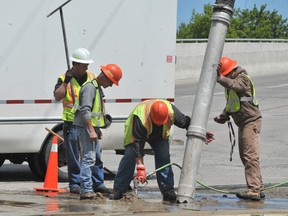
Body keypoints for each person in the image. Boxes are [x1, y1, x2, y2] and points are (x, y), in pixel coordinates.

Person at [112, 99, 215, 201]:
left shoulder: (171, 112)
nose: (159, 124)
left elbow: (186, 122)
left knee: (164, 158)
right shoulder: (140, 117)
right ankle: (119, 189)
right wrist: (140, 168)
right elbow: (138, 144)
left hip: (159, 135)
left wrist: (202, 132)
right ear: (151, 116)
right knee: (130, 156)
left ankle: (167, 190)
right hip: (137, 133)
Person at [214, 56, 264, 201]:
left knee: (250, 156)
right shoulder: (233, 82)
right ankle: (258, 188)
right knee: (246, 156)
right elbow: (233, 103)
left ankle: (254, 190)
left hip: (251, 121)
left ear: (229, 72)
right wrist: (224, 115)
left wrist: (220, 78)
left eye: (225, 74)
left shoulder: (243, 79)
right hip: (243, 123)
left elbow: (235, 86)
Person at [73, 63, 123, 200]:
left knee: (93, 158)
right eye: (111, 82)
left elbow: (95, 112)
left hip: (88, 127)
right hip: (84, 127)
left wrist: (97, 129)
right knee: (88, 158)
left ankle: (91, 186)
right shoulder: (90, 88)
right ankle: (86, 189)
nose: (111, 85)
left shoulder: (96, 87)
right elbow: (85, 111)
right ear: (106, 77)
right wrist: (91, 130)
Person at [54, 47, 100, 194]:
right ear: (76, 64)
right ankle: (75, 183)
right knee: (73, 154)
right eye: (84, 65)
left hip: (89, 122)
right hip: (71, 122)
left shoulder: (92, 77)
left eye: (87, 64)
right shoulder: (63, 78)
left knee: (94, 155)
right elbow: (57, 96)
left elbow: (100, 98)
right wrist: (66, 81)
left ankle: (97, 183)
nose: (87, 67)